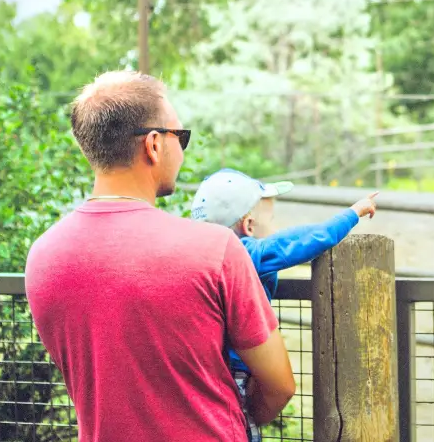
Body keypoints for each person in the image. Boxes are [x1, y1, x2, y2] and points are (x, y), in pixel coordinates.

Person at [24, 70, 295, 442]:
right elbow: (279, 384)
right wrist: (241, 419)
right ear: (153, 144)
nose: (182, 148)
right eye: (180, 136)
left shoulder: (42, 256)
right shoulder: (216, 249)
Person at [189, 168, 378, 441]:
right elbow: (299, 242)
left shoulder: (196, 255)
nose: (274, 229)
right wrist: (351, 215)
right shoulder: (244, 252)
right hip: (236, 375)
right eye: (271, 221)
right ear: (249, 226)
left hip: (204, 370)